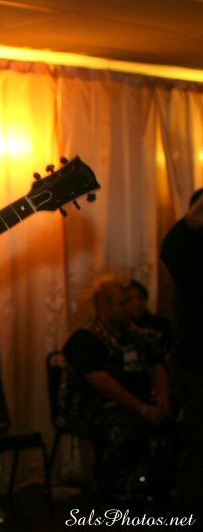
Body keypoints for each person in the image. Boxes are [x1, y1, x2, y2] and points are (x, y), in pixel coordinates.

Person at [60, 276, 171, 503]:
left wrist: (163, 399)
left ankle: (162, 486)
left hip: (138, 402)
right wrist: (141, 409)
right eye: (123, 303)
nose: (129, 308)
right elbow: (101, 382)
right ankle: (113, 490)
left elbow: (157, 367)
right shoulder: (86, 338)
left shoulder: (138, 335)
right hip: (92, 407)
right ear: (104, 305)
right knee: (125, 426)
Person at [160, 188, 203, 514]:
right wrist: (193, 219)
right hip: (198, 361)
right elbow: (171, 251)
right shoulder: (189, 252)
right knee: (199, 441)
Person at [125, 279, 172, 358]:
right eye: (131, 299)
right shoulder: (123, 327)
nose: (136, 303)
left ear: (145, 299)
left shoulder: (161, 323)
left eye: (140, 297)